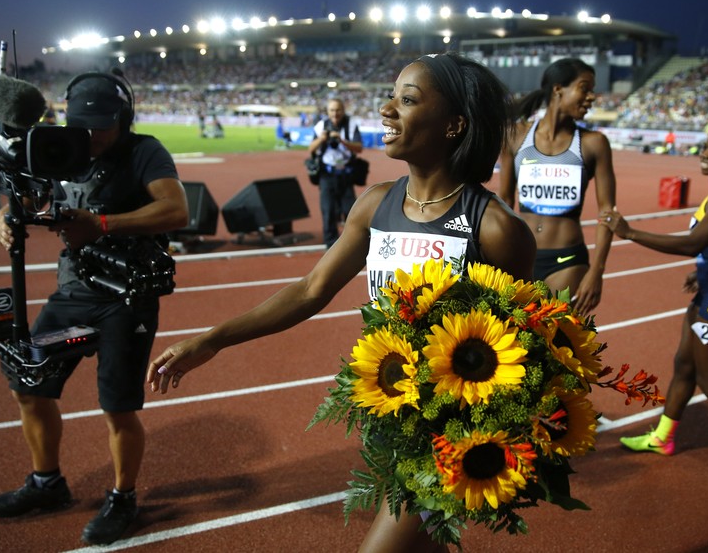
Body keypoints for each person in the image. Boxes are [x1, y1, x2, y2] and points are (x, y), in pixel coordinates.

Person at [147, 52, 536, 552]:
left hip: (448, 432)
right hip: (383, 409)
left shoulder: (497, 229)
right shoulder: (376, 204)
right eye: (392, 95)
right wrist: (214, 338)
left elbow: (522, 349)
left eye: (408, 99)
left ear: (454, 124)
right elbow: (310, 291)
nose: (387, 109)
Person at [0, 71, 190, 544]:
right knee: (29, 385)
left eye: (102, 126)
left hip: (127, 299)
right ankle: (47, 482)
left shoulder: (144, 152)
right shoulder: (60, 148)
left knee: (118, 407)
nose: (93, 136)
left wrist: (103, 223)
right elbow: (25, 197)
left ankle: (123, 497)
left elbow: (177, 210)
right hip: (73, 294)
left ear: (124, 117)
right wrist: (4, 217)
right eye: (85, 125)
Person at [599, 120, 708, 487]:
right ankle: (663, 438)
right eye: (706, 145)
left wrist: (630, 232)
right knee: (683, 365)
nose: (706, 152)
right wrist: (704, 273)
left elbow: (692, 243)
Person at [498, 57, 616, 316]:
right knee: (513, 343)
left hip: (567, 261)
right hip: (520, 255)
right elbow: (504, 199)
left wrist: (596, 271)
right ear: (558, 89)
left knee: (553, 344)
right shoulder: (516, 135)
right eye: (584, 88)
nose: (591, 97)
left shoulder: (593, 143)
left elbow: (608, 212)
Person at [307, 98, 364, 248]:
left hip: (346, 174)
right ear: (327, 112)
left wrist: (342, 140)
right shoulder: (321, 126)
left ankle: (351, 243)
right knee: (328, 210)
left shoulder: (351, 124)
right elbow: (310, 149)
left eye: (338, 110)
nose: (335, 113)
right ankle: (330, 244)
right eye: (332, 110)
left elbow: (359, 148)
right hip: (327, 174)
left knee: (350, 210)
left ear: (343, 111)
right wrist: (322, 139)